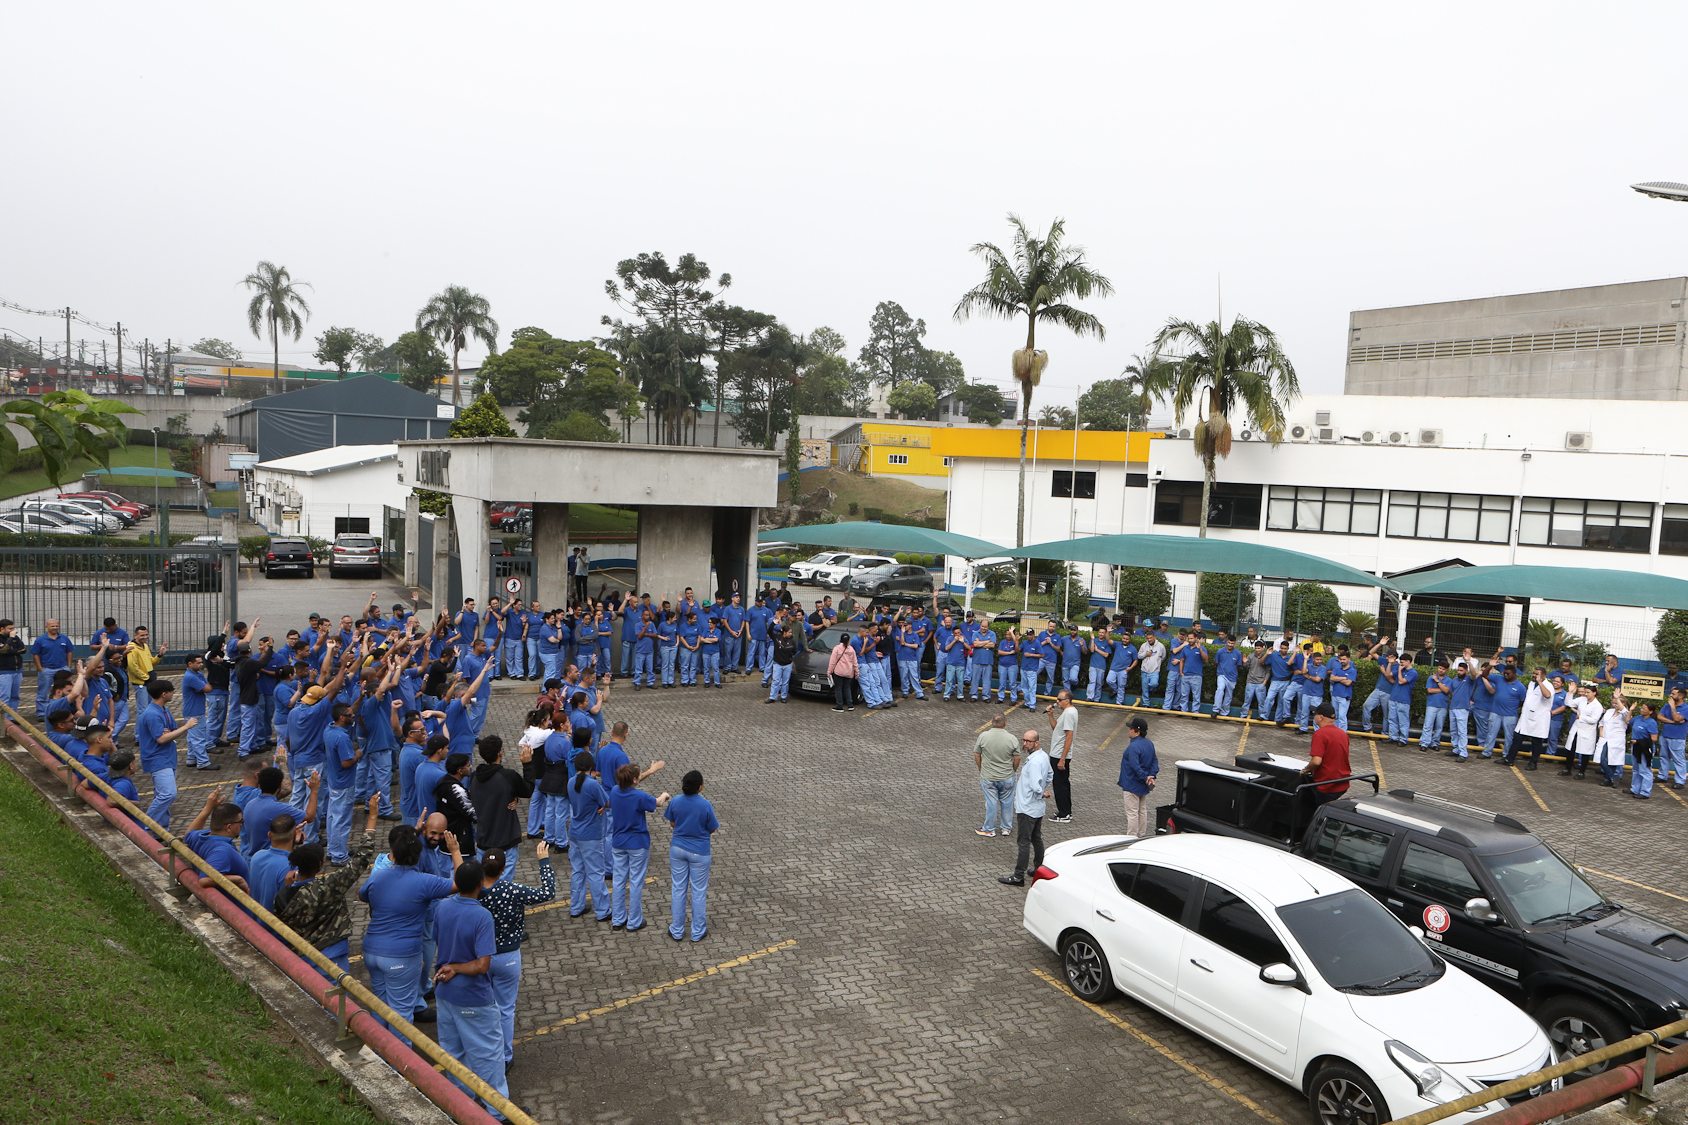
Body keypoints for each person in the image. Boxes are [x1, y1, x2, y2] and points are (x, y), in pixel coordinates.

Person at [360, 824, 458, 1033]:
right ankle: (398, 1064)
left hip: (372, 951)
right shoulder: (424, 881)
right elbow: (460, 884)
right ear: (418, 855)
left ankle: (380, 1055)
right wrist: (456, 852)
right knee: (401, 1014)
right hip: (402, 957)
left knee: (380, 1006)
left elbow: (362, 895)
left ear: (393, 853)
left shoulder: (379, 876)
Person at [273, 794, 383, 976]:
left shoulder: (282, 895)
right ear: (319, 865)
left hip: (302, 958)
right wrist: (372, 817)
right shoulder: (330, 885)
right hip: (333, 956)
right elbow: (361, 859)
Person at [432, 860, 509, 1114]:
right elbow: (482, 965)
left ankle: (460, 1107)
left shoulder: (442, 906)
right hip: (474, 998)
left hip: (444, 995)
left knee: (452, 1054)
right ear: (480, 884)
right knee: (488, 1056)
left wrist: (449, 966)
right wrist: (457, 966)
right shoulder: (481, 916)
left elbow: (437, 940)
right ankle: (497, 1113)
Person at [478, 845, 556, 1067]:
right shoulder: (512, 890)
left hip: (480, 958)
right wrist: (544, 862)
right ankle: (504, 1057)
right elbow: (547, 892)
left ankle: (483, 1052)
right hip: (508, 957)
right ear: (503, 869)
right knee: (505, 1009)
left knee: (484, 1006)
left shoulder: (472, 892)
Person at [608, 762, 670, 931]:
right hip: (637, 844)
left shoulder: (614, 791)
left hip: (618, 843)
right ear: (634, 779)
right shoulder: (639, 796)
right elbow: (656, 803)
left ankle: (618, 919)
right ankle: (634, 921)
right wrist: (664, 795)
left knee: (619, 881)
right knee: (635, 882)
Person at [137, 677, 198, 829]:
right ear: (164, 694)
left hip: (168, 758)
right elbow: (162, 739)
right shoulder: (152, 714)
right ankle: (145, 827)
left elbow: (170, 730)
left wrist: (170, 732)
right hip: (158, 759)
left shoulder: (164, 710)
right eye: (171, 692)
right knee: (168, 794)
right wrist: (185, 727)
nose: (173, 694)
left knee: (162, 795)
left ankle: (161, 830)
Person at [665, 769, 717, 942]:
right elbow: (712, 828)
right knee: (698, 891)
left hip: (678, 849)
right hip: (700, 852)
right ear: (700, 787)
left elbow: (673, 822)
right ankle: (697, 931)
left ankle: (677, 930)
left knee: (678, 888)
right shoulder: (705, 805)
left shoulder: (675, 801)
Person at [470, 735, 534, 873]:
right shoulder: (508, 776)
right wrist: (528, 764)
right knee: (502, 887)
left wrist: (512, 796)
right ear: (500, 752)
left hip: (483, 841)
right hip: (505, 841)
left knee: (485, 882)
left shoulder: (474, 777)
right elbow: (528, 790)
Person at [998, 730, 1052, 887]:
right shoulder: (1043, 756)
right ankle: (1038, 868)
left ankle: (1018, 876)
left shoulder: (1034, 762)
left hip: (1027, 808)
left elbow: (1036, 786)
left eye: (1029, 741)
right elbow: (1050, 774)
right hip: (1037, 809)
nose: (1025, 744)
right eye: (1024, 740)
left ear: (1037, 742)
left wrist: (1042, 792)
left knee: (1023, 842)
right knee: (1036, 838)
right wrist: (1043, 788)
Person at [567, 749, 612, 919]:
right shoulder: (593, 784)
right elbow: (607, 802)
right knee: (595, 873)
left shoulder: (571, 782)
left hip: (575, 833)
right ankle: (602, 910)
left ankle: (576, 907)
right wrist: (601, 806)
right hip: (591, 834)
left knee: (578, 871)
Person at [182, 791, 251, 894]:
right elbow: (204, 879)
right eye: (240, 821)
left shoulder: (202, 836)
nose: (242, 824)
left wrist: (208, 808)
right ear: (229, 827)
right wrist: (237, 879)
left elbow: (188, 835)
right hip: (234, 907)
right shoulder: (222, 852)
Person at [973, 713, 1020, 838]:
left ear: (991, 721)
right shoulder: (1012, 738)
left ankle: (989, 829)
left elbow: (977, 754)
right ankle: (1006, 828)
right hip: (1007, 776)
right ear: (1005, 722)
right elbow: (1017, 758)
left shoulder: (983, 736)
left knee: (991, 802)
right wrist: (1013, 770)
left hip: (988, 777)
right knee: (1007, 802)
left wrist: (981, 768)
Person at [248, 811, 303, 912]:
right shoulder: (292, 868)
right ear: (295, 834)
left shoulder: (257, 856)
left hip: (256, 921)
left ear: (269, 835)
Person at [1503, 667, 1555, 771]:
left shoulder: (1548, 686)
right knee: (1517, 737)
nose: (1534, 675)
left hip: (1539, 718)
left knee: (1536, 742)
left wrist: (1540, 682)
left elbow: (1547, 695)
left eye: (1537, 674)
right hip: (1526, 717)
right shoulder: (1531, 684)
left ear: (1543, 676)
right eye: (1534, 673)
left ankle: (1533, 763)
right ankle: (1509, 758)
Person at [1116, 716, 1158, 837]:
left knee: (1132, 813)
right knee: (1142, 810)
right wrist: (1151, 776)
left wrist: (1145, 778)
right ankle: (1141, 835)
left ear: (1137, 732)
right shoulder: (1149, 743)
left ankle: (1131, 837)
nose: (1129, 730)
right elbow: (1155, 761)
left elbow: (1135, 766)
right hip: (1143, 785)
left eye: (1131, 729)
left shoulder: (1133, 747)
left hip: (1132, 783)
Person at [1304, 704, 1351, 804]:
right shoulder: (1342, 733)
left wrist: (1306, 770)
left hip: (1326, 785)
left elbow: (1316, 761)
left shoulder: (1320, 734)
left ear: (1321, 717)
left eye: (1315, 714)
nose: (1314, 717)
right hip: (1342, 782)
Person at [29, 617, 74, 719]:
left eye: (56, 626)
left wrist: (69, 666)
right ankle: (42, 713)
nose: (55, 628)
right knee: (43, 692)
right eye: (52, 626)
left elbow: (69, 652)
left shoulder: (64, 638)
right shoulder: (40, 640)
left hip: (62, 669)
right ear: (46, 627)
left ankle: (64, 710)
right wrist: (40, 669)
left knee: (65, 691)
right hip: (47, 670)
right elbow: (36, 654)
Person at [1561, 683, 1603, 779]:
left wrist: (1581, 717)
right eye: (1585, 692)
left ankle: (1581, 772)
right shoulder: (1582, 700)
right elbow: (1568, 703)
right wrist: (1570, 693)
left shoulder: (1597, 706)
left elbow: (1594, 720)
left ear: (1594, 693)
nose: (1586, 694)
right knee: (1571, 749)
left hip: (1587, 731)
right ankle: (1567, 769)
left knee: (1585, 752)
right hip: (1577, 729)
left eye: (1588, 692)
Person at [1048, 690, 1077, 823]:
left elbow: (1069, 737)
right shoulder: (1067, 713)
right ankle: (1065, 811)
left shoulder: (1069, 714)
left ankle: (1064, 813)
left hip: (1059, 755)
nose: (1057, 702)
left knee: (1060, 785)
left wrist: (1062, 759)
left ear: (1067, 700)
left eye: (1059, 700)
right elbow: (1056, 727)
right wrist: (1051, 715)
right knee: (1061, 783)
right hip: (1057, 754)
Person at [1594, 690, 1632, 788]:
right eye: (1614, 703)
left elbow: (1624, 711)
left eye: (1617, 703)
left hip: (1616, 740)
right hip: (1605, 738)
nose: (1615, 705)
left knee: (1613, 760)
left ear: (1622, 703)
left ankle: (1608, 779)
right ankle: (1612, 777)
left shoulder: (1626, 714)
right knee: (1602, 759)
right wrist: (1601, 732)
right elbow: (1601, 722)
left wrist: (1617, 698)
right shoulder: (1609, 712)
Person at [1629, 702, 1659, 799]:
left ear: (1650, 711)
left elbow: (1654, 738)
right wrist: (1631, 710)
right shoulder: (1638, 718)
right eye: (1641, 708)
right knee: (1636, 769)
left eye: (1644, 709)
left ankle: (1645, 792)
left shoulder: (1651, 722)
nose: (1642, 710)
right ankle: (1635, 789)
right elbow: (1628, 721)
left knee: (1645, 770)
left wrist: (1638, 741)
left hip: (1645, 748)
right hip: (1636, 747)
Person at [1420, 661, 1451, 752]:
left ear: (1447, 670)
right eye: (1439, 668)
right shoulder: (1431, 678)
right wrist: (1442, 688)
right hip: (1432, 704)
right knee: (1428, 725)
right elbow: (1430, 690)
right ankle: (1424, 743)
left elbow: (1447, 691)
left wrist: (1437, 682)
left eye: (1443, 669)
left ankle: (1435, 743)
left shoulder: (1448, 680)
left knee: (1439, 726)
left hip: (1443, 706)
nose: (1440, 670)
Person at [1660, 688, 1688, 791]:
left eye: (1673, 694)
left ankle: (1680, 781)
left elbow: (1677, 718)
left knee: (1679, 760)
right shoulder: (1666, 705)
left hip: (1677, 738)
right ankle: (1662, 776)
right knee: (1663, 757)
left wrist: (1672, 707)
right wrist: (1671, 722)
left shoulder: (1686, 708)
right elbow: (1659, 716)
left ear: (1680, 696)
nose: (1670, 695)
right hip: (1665, 736)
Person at [1211, 636, 1242, 719]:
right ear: (1227, 642)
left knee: (1229, 695)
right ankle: (1216, 710)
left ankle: (1224, 713)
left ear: (1235, 643)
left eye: (1232, 643)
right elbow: (1216, 662)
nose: (1230, 645)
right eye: (1229, 643)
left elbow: (1238, 665)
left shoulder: (1238, 653)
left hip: (1232, 677)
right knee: (1220, 689)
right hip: (1222, 675)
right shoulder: (1220, 652)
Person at [765, 625, 797, 704]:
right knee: (775, 681)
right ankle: (772, 697)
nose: (790, 634)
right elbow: (769, 631)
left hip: (788, 664)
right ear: (784, 633)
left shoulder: (792, 641)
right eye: (789, 632)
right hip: (777, 664)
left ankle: (784, 697)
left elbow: (794, 651)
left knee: (785, 682)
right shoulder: (777, 638)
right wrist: (773, 623)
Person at [0, 619, 25, 716]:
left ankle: (12, 717)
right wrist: (10, 639)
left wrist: (10, 651)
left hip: (17, 671)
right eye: (10, 628)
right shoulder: (10, 638)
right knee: (4, 696)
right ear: (2, 629)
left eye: (13, 628)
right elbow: (3, 651)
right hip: (4, 672)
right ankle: (3, 720)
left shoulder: (16, 638)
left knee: (15, 696)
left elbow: (23, 649)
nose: (13, 630)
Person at [828, 631, 858, 713]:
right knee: (847, 688)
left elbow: (833, 661)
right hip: (849, 672)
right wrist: (856, 672)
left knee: (838, 688)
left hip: (838, 671)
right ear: (848, 640)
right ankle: (850, 705)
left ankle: (840, 705)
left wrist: (829, 671)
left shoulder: (837, 648)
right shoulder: (851, 649)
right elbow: (855, 662)